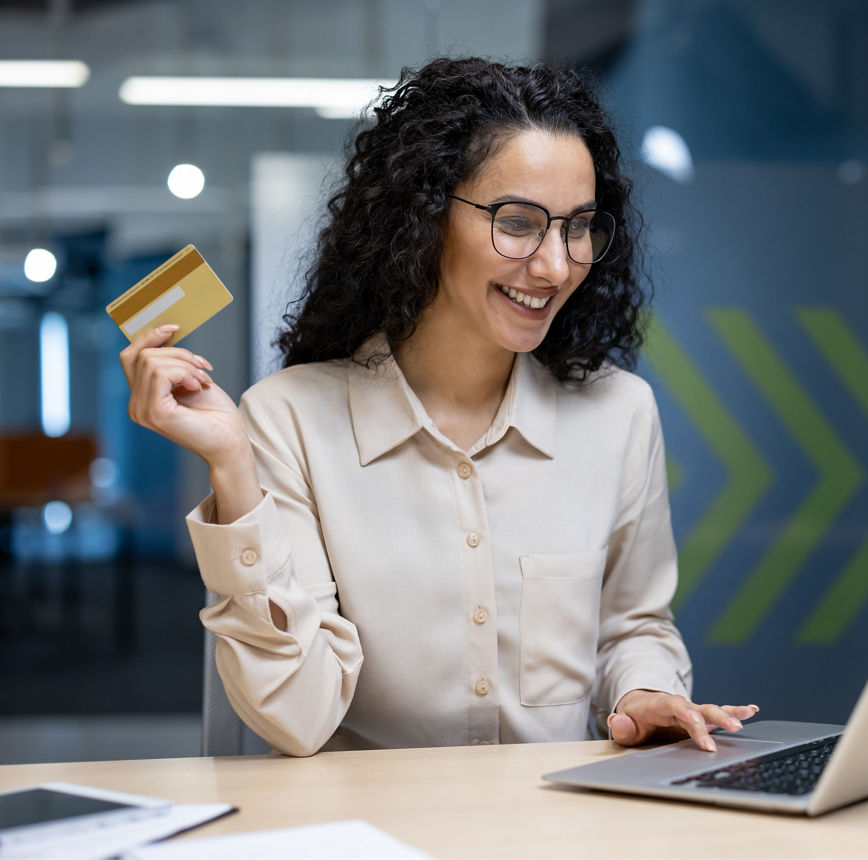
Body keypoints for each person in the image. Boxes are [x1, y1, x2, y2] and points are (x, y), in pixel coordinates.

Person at [119, 57, 757, 757]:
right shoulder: (288, 420)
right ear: (423, 216)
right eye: (517, 222)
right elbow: (295, 720)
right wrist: (232, 472)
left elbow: (631, 626)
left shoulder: (619, 414)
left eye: (577, 227)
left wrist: (642, 693)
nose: (553, 266)